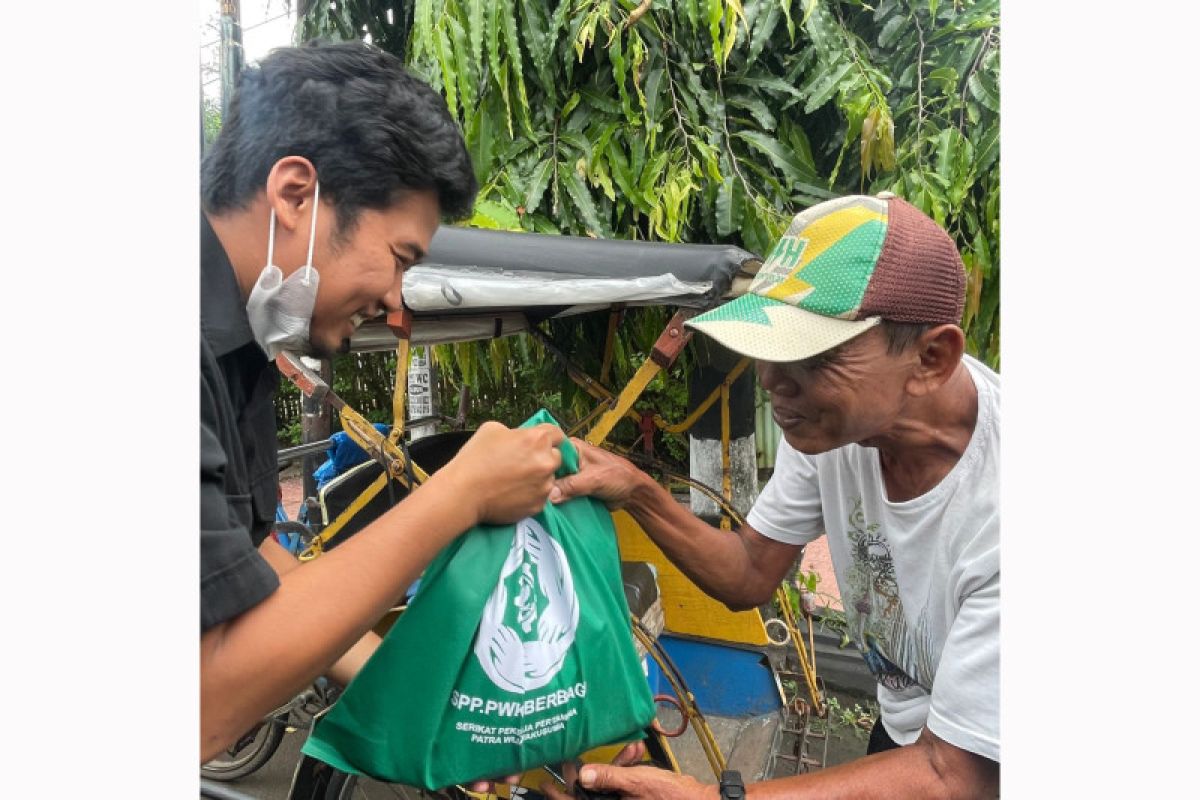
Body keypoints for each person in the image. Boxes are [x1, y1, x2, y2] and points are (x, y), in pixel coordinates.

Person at [545, 193, 999, 798]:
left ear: (931, 358)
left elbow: (957, 776)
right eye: (769, 348)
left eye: (811, 354)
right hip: (905, 738)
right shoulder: (834, 428)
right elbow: (750, 573)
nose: (771, 380)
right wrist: (640, 492)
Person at [199, 40, 566, 774]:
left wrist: (426, 701)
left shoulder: (238, 351)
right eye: (400, 258)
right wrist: (461, 494)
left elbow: (253, 567)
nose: (396, 300)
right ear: (296, 195)